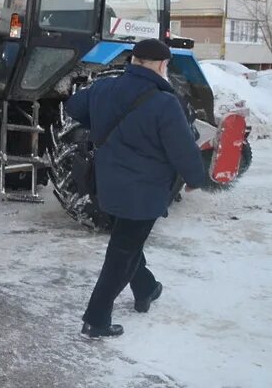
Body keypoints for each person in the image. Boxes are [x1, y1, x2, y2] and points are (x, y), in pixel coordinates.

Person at [65, 38, 207, 339]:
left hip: (106, 185)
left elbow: (74, 106)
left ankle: (146, 288)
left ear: (133, 62)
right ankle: (96, 319)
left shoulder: (104, 89)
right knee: (122, 253)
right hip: (144, 191)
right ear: (161, 65)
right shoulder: (165, 102)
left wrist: (99, 121)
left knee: (127, 242)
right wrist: (196, 178)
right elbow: (182, 149)